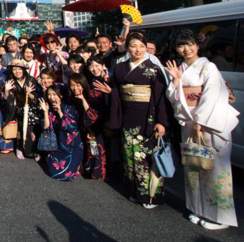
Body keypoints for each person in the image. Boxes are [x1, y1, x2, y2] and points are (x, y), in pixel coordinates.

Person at [165, 30, 239, 230]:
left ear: (198, 45)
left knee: (215, 170)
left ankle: (221, 217)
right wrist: (176, 81)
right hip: (190, 123)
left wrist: (201, 120)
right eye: (181, 46)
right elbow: (173, 96)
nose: (186, 49)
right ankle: (200, 210)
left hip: (209, 124)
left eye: (190, 44)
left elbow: (212, 94)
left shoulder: (209, 67)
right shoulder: (181, 67)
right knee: (194, 167)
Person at [110, 32, 168, 209]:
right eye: (134, 46)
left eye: (142, 46)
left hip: (148, 117)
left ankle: (150, 195)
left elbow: (161, 98)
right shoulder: (120, 67)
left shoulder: (153, 68)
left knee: (146, 157)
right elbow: (115, 92)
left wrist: (161, 121)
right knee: (129, 156)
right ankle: (134, 191)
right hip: (128, 115)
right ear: (127, 47)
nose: (138, 49)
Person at [39, 85, 83, 181]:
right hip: (56, 145)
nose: (51, 97)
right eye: (49, 95)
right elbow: (46, 130)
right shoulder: (48, 108)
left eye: (54, 94)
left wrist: (59, 111)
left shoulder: (70, 108)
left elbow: (72, 127)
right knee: (53, 172)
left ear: (61, 96)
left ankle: (78, 164)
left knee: (67, 174)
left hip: (72, 146)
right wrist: (46, 112)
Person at [68, 73, 107, 180]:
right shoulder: (72, 97)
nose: (75, 88)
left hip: (96, 128)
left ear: (83, 84)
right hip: (84, 128)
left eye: (78, 85)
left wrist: (83, 100)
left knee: (95, 149)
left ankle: (97, 173)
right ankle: (86, 169)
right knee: (87, 149)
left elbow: (93, 117)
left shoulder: (93, 95)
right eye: (72, 85)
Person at [3, 59, 40, 160]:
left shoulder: (31, 80)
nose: (17, 72)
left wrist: (30, 94)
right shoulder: (10, 81)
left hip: (31, 109)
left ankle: (32, 151)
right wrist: (6, 91)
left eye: (19, 69)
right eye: (14, 69)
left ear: (24, 70)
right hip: (17, 109)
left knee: (31, 131)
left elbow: (36, 97)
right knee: (19, 129)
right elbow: (7, 99)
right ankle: (19, 148)